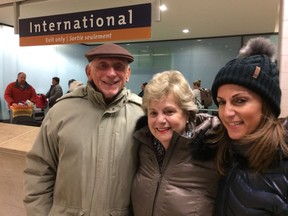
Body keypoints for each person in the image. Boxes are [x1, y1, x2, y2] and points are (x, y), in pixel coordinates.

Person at [23, 43, 144, 215]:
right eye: (103, 65)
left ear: (128, 74)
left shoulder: (142, 115)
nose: (111, 73)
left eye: (119, 67)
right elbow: (39, 170)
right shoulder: (61, 111)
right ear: (88, 72)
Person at [211, 37, 288, 215]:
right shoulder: (224, 151)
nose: (227, 112)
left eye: (240, 100)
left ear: (266, 105)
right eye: (222, 102)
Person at [131, 70, 222, 215]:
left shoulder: (215, 147)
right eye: (153, 113)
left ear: (186, 113)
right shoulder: (142, 145)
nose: (160, 120)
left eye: (169, 112)